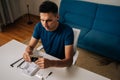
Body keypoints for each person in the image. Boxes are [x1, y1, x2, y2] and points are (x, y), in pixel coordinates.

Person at [23, 1, 74, 69]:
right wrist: (27, 51)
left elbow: (69, 62)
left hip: (61, 63)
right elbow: (31, 46)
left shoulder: (67, 31)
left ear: (57, 17)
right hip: (47, 59)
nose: (44, 25)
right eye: (42, 20)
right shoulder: (39, 26)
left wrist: (51, 63)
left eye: (49, 21)